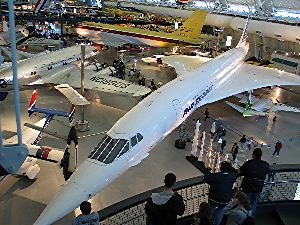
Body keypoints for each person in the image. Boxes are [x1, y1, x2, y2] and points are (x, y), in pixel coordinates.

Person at [240, 148, 270, 216]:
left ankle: (243, 217)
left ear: (253, 155)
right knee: (254, 203)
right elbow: (267, 171)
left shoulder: (248, 163)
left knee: (245, 202)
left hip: (248, 187)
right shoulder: (265, 164)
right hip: (258, 187)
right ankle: (251, 217)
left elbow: (242, 171)